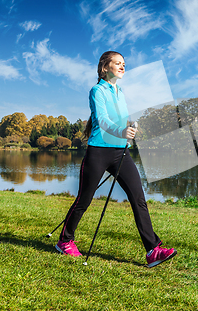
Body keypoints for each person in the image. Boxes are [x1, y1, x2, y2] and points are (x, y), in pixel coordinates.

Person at [56, 51, 177, 268]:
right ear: (105, 67)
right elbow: (102, 120)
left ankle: (152, 250)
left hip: (121, 152)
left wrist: (129, 129)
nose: (122, 67)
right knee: (84, 200)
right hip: (98, 152)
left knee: (138, 198)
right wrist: (121, 131)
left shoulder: (120, 92)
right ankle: (65, 241)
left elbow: (120, 121)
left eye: (124, 64)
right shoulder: (97, 91)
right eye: (117, 63)